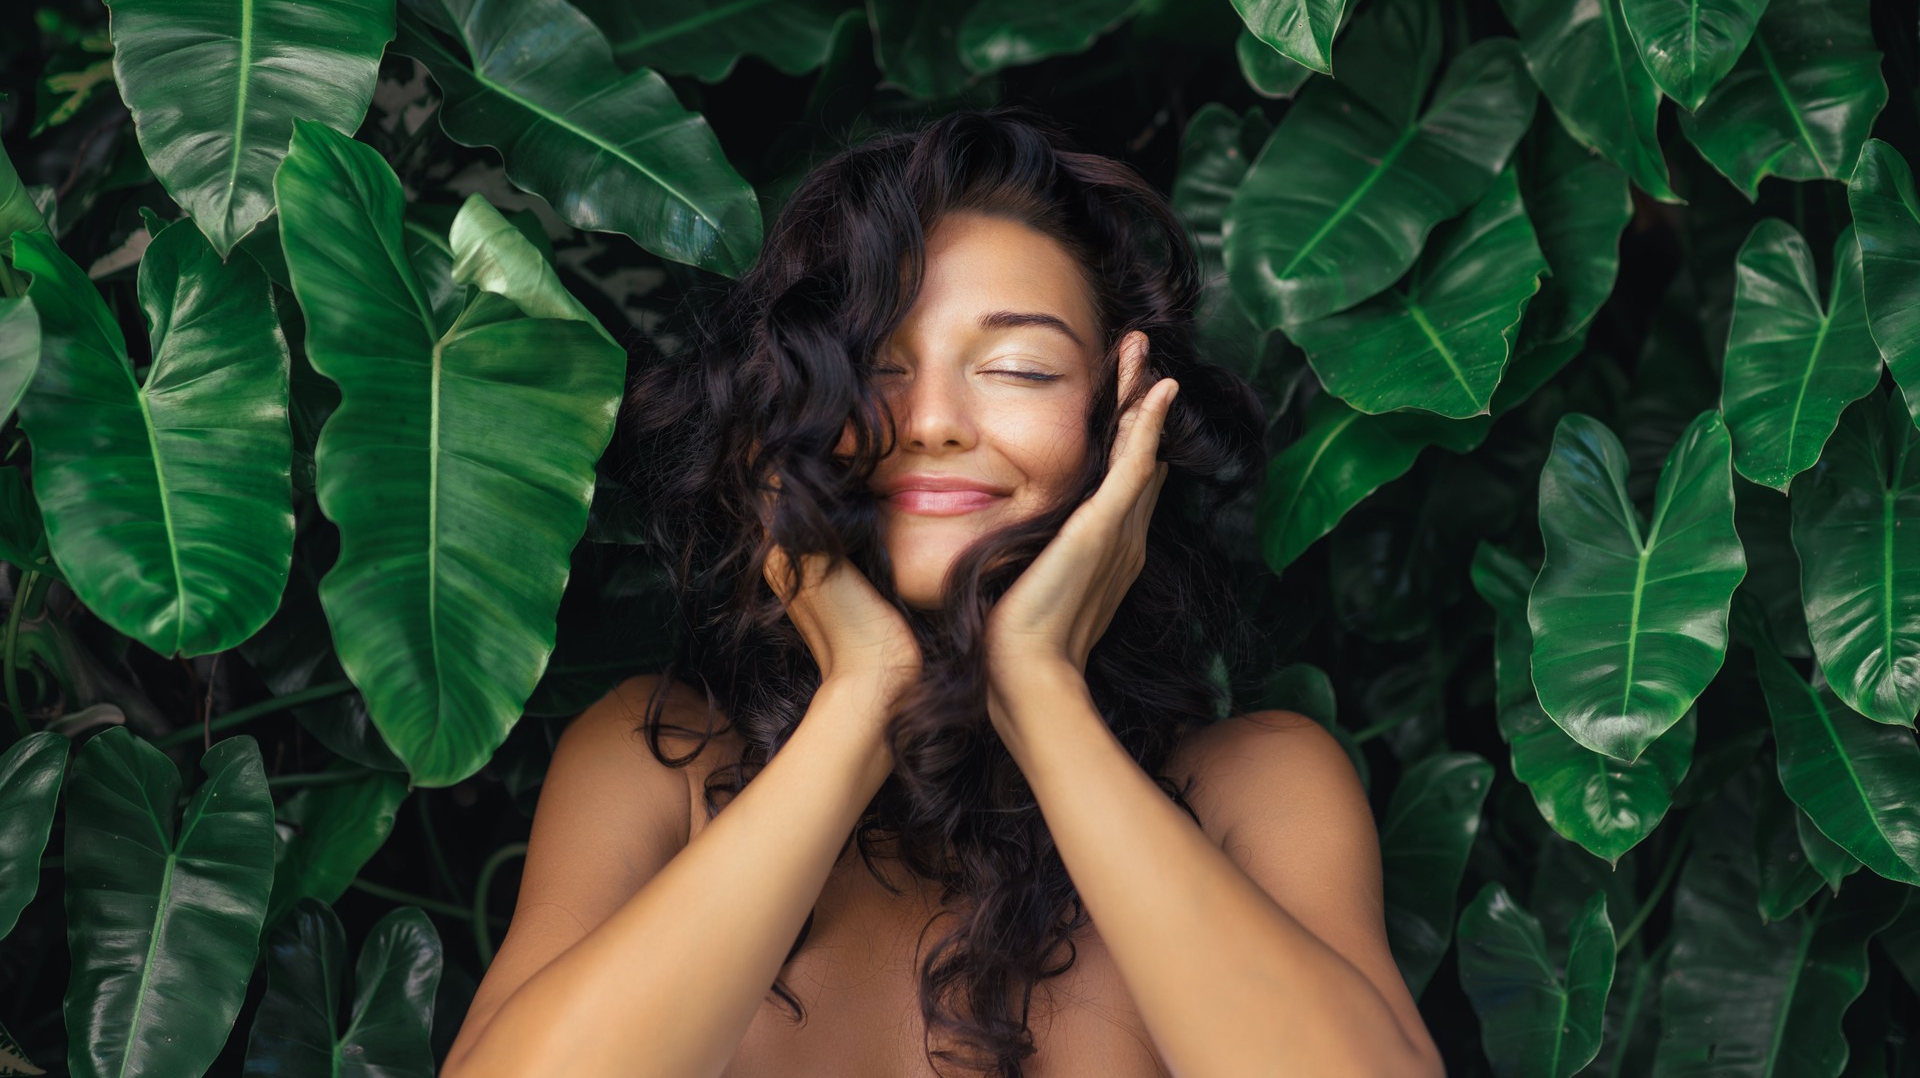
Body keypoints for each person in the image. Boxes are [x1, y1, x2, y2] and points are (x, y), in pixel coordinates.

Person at [440, 108, 1444, 1078]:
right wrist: (862, 697)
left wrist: (1037, 687)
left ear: (1127, 414)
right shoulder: (656, 774)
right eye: (873, 364)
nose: (929, 420)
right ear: (784, 412)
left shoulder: (1256, 789)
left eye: (1016, 366)